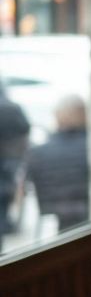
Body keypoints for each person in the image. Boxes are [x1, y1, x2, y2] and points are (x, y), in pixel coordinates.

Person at [25, 95, 89, 232]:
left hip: (56, 210)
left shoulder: (38, 151)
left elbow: (26, 184)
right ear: (83, 115)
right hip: (89, 213)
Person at [0, 82, 29, 238]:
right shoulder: (13, 108)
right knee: (6, 192)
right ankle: (5, 222)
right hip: (11, 156)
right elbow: (25, 127)